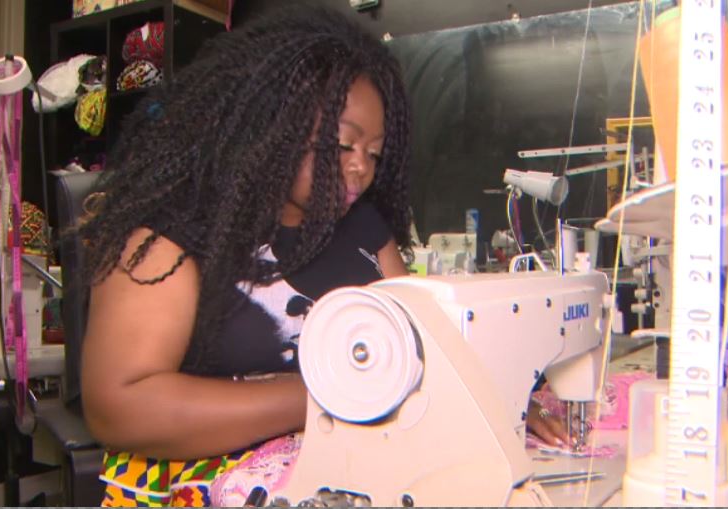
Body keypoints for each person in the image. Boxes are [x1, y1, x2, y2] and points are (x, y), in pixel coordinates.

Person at [78, 6, 565, 506]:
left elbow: (425, 350)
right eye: (343, 145)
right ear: (271, 124)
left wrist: (489, 408)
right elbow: (122, 405)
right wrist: (323, 397)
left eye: (374, 153)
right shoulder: (171, 237)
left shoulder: (363, 229)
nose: (360, 168)